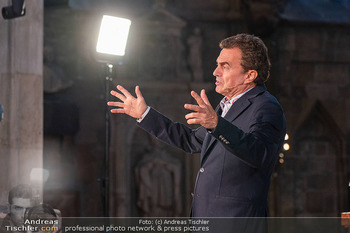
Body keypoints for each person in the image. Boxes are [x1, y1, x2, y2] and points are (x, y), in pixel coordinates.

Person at [108, 33, 286, 218]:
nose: (215, 72)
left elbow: (261, 154)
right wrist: (144, 115)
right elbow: (191, 141)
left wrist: (217, 125)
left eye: (224, 66)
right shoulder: (228, 104)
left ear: (249, 75)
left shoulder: (266, 107)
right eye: (217, 64)